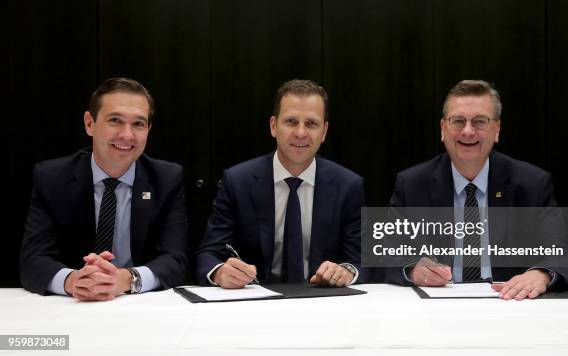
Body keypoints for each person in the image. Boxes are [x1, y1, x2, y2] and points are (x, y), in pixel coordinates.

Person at [387, 79, 568, 300]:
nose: (468, 131)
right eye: (458, 121)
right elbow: (386, 254)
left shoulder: (531, 184)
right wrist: (414, 270)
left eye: (480, 121)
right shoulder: (413, 184)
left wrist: (542, 274)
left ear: (497, 129)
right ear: (443, 129)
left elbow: (567, 255)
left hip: (511, 304)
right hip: (438, 307)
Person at [20, 78, 188, 301]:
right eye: (115, 120)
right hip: (73, 306)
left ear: (148, 129)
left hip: (138, 305)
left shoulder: (166, 179)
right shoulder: (52, 178)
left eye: (138, 124)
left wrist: (126, 279)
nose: (127, 135)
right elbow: (33, 260)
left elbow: (175, 260)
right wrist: (74, 281)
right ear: (90, 124)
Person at [195, 79, 364, 288]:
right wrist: (220, 271)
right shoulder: (238, 181)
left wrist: (346, 271)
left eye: (311, 123)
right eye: (291, 121)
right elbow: (208, 254)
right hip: (254, 302)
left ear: (324, 132)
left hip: (322, 303)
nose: (301, 132)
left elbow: (360, 259)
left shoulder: (348, 185)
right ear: (273, 126)